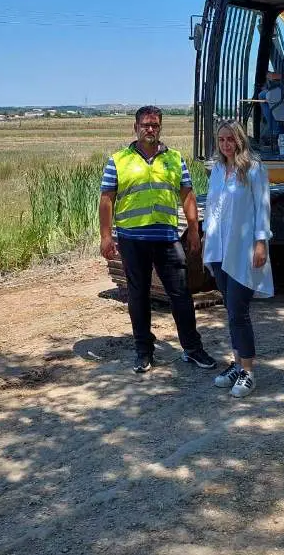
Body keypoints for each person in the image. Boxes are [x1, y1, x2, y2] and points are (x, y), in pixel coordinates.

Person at [99, 105, 216, 374]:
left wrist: (195, 230)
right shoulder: (118, 160)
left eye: (155, 125)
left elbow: (187, 195)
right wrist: (106, 236)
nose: (150, 129)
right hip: (131, 238)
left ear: (160, 128)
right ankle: (144, 351)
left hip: (166, 237)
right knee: (138, 296)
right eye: (145, 125)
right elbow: (107, 200)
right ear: (136, 127)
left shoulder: (175, 159)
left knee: (181, 293)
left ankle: (192, 349)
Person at [203, 120, 273, 398]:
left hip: (243, 250)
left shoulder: (254, 169)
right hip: (219, 250)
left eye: (230, 139)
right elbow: (212, 207)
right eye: (221, 140)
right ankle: (236, 363)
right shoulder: (218, 170)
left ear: (240, 139)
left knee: (239, 311)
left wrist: (260, 243)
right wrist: (207, 239)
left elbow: (262, 208)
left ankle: (248, 372)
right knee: (230, 312)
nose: (225, 144)